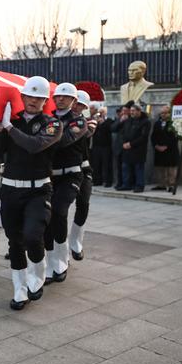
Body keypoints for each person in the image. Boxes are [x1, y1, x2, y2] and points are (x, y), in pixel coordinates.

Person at [0, 76, 63, 310]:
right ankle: (19, 289)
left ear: (45, 100)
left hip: (38, 191)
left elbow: (34, 145)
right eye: (29, 96)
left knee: (33, 236)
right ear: (21, 97)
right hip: (10, 189)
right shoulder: (11, 121)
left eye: (38, 97)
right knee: (15, 242)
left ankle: (36, 278)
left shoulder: (52, 124)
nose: (33, 100)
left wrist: (9, 128)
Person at [43, 83, 88, 284]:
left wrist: (42, 138)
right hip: (50, 176)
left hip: (71, 175)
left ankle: (61, 261)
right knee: (46, 218)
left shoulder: (78, 120)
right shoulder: (48, 118)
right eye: (58, 96)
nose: (60, 99)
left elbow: (63, 141)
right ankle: (51, 260)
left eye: (65, 96)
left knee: (59, 212)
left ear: (73, 101)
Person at [69, 91, 97, 262]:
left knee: (83, 204)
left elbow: (85, 133)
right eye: (75, 102)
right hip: (63, 170)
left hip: (83, 168)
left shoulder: (87, 122)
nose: (76, 106)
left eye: (81, 105)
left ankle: (76, 242)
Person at [115, 103, 151, 192]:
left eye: (133, 111)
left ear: (139, 111)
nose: (131, 112)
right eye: (131, 111)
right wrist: (124, 143)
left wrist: (131, 144)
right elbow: (122, 133)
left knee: (138, 168)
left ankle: (139, 185)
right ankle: (126, 184)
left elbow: (143, 137)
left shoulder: (145, 122)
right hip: (126, 148)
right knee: (125, 167)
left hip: (138, 149)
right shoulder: (128, 120)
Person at [151, 105, 179, 192]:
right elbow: (153, 136)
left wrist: (166, 146)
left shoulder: (174, 123)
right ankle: (162, 184)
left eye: (165, 113)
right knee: (160, 168)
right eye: (162, 113)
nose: (163, 115)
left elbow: (175, 137)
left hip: (170, 149)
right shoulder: (157, 123)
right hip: (159, 149)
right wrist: (156, 145)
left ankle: (171, 185)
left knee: (171, 168)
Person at [90, 106, 113, 186]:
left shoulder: (109, 121)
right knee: (96, 164)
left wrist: (103, 123)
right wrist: (96, 122)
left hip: (106, 146)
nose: (101, 114)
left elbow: (109, 129)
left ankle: (108, 181)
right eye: (100, 112)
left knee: (106, 164)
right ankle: (97, 180)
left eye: (102, 112)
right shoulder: (95, 120)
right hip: (96, 145)